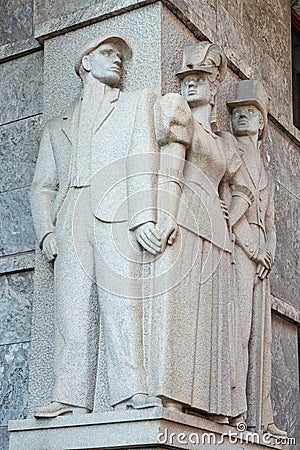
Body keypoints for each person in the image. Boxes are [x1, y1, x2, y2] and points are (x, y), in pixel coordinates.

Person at [30, 34, 162, 418]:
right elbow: (42, 186)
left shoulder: (134, 106)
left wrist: (142, 218)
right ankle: (69, 396)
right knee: (71, 312)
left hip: (116, 215)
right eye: (107, 53)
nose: (117, 60)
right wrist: (46, 231)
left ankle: (130, 391)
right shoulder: (58, 125)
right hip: (71, 215)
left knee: (122, 305)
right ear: (86, 62)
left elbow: (143, 161)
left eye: (121, 55)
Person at [148, 42, 253, 424]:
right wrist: (164, 215)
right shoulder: (178, 114)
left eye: (200, 78)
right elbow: (169, 169)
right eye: (186, 78)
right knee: (178, 311)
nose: (191, 84)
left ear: (215, 85)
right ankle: (172, 395)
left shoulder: (225, 143)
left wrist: (232, 214)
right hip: (185, 218)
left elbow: (243, 188)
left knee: (215, 321)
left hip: (217, 232)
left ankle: (215, 405)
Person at [227, 80, 287, 437]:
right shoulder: (228, 149)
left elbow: (272, 224)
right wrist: (253, 248)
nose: (243, 117)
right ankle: (236, 410)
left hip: (260, 257)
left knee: (259, 340)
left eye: (251, 113)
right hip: (238, 250)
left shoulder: (262, 167)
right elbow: (226, 208)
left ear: (263, 124)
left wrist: (269, 254)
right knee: (238, 332)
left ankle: (261, 417)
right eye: (237, 113)